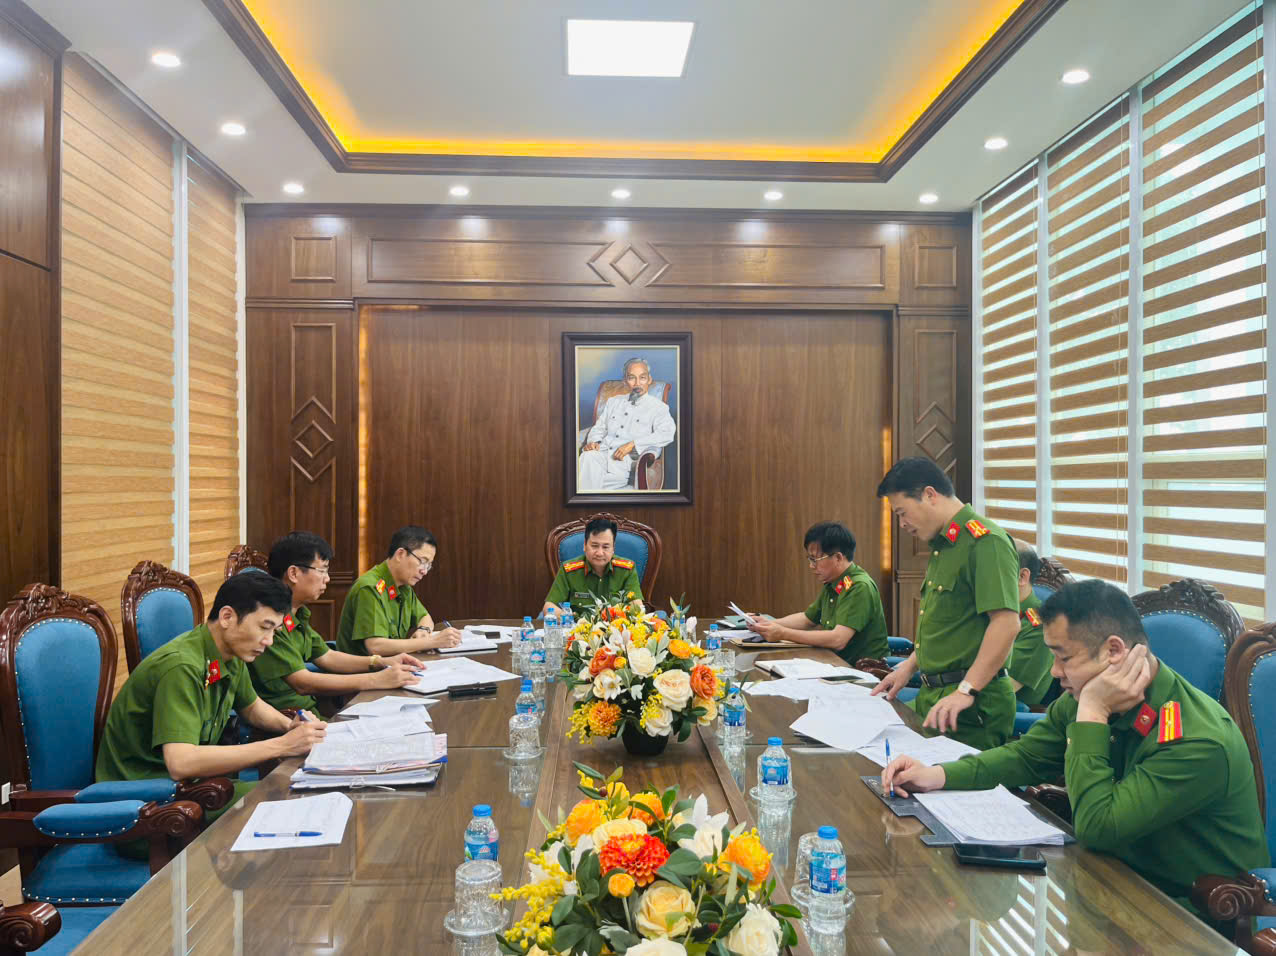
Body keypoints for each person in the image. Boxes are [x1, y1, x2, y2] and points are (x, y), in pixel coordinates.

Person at [881, 579, 1269, 915]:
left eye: (1063, 657)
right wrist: (937, 775)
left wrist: (1093, 712)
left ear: (1114, 651)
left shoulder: (1196, 739)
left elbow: (1099, 827)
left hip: (1190, 913)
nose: (1054, 672)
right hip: (1107, 881)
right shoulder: (1087, 695)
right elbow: (1026, 756)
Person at [96, 573, 328, 801]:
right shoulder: (182, 667)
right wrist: (282, 745)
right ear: (227, 617)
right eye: (264, 627)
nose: (269, 641)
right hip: (147, 796)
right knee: (289, 798)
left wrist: (291, 726)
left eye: (274, 631)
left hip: (194, 785)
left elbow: (252, 707)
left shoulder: (230, 652)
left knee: (301, 792)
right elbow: (181, 762)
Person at [871, 456, 1018, 749]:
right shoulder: (944, 545)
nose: (902, 524)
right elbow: (948, 625)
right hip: (936, 695)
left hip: (971, 704)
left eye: (902, 513)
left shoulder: (985, 542)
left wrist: (966, 690)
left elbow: (1006, 624)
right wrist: (908, 667)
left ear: (929, 494)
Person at [250, 531, 423, 717]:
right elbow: (303, 682)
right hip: (287, 719)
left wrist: (381, 662)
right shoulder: (270, 621)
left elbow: (327, 656)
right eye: (322, 570)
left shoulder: (297, 613)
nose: (328, 578)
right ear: (293, 573)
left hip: (311, 712)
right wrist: (377, 679)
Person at [744, 521, 889, 664]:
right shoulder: (836, 581)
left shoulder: (858, 586)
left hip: (860, 670)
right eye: (810, 559)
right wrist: (768, 624)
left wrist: (782, 633)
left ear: (838, 558)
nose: (811, 566)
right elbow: (807, 619)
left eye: (815, 559)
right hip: (835, 662)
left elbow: (838, 639)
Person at [336, 526, 463, 656]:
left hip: (392, 664)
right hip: (364, 668)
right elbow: (376, 646)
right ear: (400, 554)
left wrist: (423, 630)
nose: (424, 571)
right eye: (422, 562)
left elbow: (424, 616)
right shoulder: (370, 587)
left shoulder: (403, 586)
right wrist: (432, 641)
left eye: (428, 565)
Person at [577, 357, 676, 491]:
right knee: (587, 457)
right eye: (631, 378)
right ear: (625, 381)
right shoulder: (613, 401)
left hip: (622, 466)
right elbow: (599, 427)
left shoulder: (658, 408)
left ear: (649, 380)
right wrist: (594, 441)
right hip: (601, 456)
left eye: (642, 378)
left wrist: (633, 444)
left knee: (579, 483)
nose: (637, 383)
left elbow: (667, 433)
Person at [542, 516, 643, 617]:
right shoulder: (569, 570)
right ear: (584, 545)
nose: (599, 553)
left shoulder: (627, 570)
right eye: (594, 546)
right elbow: (549, 607)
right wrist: (571, 619)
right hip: (578, 626)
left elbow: (637, 607)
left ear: (613, 548)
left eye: (605, 547)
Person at [1007, 541, 1059, 709]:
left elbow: (1006, 688)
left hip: (1011, 709)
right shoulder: (990, 610)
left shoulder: (1039, 626)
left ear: (1022, 577)